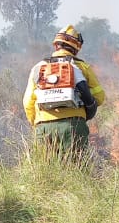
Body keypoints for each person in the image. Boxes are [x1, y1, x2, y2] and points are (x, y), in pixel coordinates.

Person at [23, 25, 105, 156]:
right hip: (74, 126)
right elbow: (100, 97)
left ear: (56, 45)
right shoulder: (82, 67)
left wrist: (37, 124)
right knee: (76, 170)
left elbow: (28, 103)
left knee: (46, 172)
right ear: (76, 48)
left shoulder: (38, 68)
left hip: (43, 127)